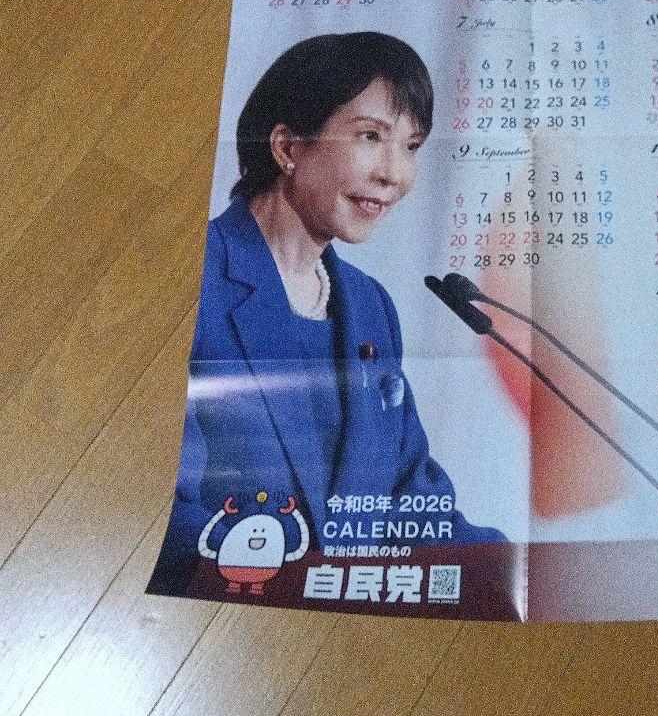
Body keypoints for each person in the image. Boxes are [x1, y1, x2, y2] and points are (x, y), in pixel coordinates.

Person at [151, 32, 504, 594]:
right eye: (371, 137)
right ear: (288, 146)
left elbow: (409, 500)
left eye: (411, 146)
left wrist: (510, 570)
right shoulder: (194, 277)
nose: (394, 174)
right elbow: (158, 509)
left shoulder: (369, 306)